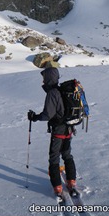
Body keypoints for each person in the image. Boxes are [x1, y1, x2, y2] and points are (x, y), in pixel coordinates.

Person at [28, 66, 77, 196]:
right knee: (67, 155)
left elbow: (47, 115)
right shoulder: (62, 90)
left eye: (44, 78)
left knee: (54, 157)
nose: (43, 81)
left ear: (49, 78)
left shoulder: (52, 93)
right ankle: (71, 181)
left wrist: (35, 117)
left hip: (59, 130)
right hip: (69, 128)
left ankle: (57, 187)